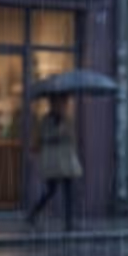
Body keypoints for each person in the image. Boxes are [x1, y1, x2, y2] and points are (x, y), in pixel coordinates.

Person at [26, 94, 82, 231]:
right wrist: (56, 134)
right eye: (61, 103)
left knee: (67, 190)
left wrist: (66, 135)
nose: (63, 106)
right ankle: (34, 213)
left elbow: (72, 137)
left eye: (64, 103)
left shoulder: (67, 119)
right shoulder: (46, 120)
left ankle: (68, 223)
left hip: (66, 160)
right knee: (51, 190)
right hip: (53, 160)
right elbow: (42, 138)